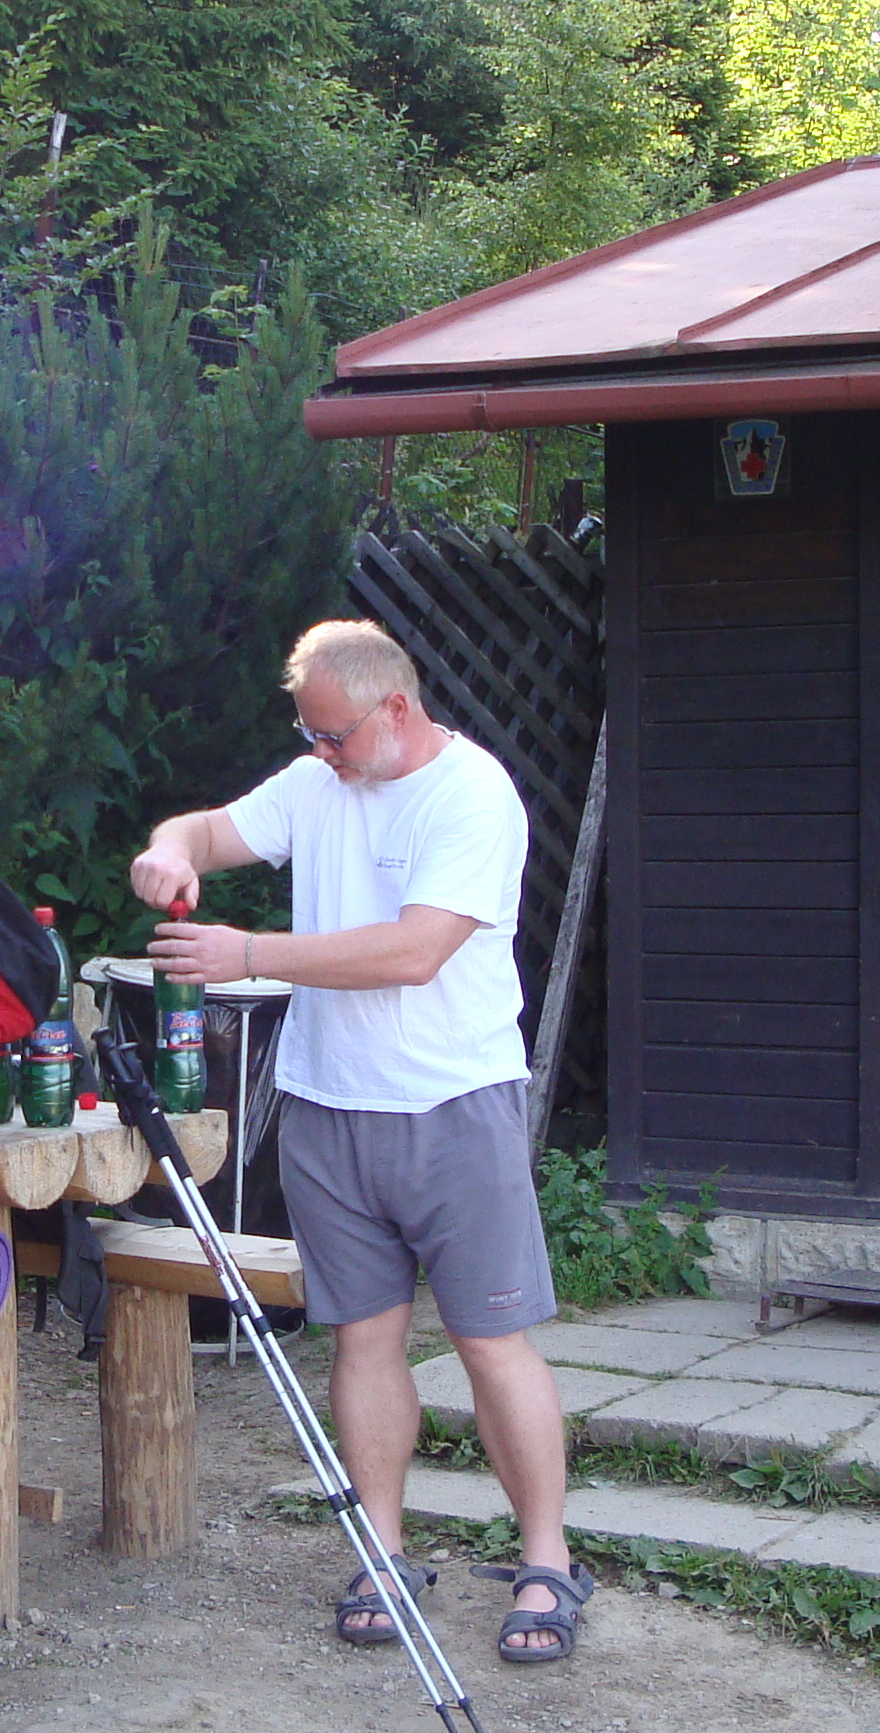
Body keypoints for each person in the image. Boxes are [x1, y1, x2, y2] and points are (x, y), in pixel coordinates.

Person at [130, 619, 590, 1667]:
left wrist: (250, 952)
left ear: (395, 709)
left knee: (490, 1341)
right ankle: (382, 1555)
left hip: (456, 1104)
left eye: (333, 734)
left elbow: (416, 951)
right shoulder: (315, 783)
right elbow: (208, 830)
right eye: (309, 733)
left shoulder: (473, 795)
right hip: (327, 1106)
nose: (320, 752)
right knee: (363, 1342)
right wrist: (171, 848)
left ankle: (548, 1561)